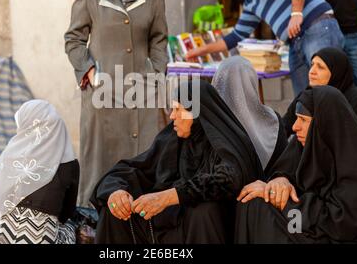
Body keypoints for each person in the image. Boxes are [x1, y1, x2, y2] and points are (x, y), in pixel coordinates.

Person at [90, 80, 264, 244]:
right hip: (167, 225)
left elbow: (228, 179)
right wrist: (116, 192)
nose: (172, 116)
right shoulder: (172, 139)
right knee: (114, 212)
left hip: (209, 228)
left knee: (204, 211)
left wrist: (168, 197)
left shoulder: (225, 142)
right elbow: (134, 169)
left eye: (179, 110)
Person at [64, 0, 169, 206]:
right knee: (100, 155)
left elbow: (159, 37)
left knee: (145, 151)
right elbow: (74, 39)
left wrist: (156, 70)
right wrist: (88, 69)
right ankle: (93, 215)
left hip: (143, 88)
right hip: (103, 90)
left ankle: (144, 211)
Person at [186, 0, 344, 96]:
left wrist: (296, 13)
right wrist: (199, 51)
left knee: (328, 90)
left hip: (317, 27)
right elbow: (236, 36)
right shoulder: (250, 2)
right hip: (295, 42)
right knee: (305, 100)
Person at [235, 86, 357, 243]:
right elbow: (285, 169)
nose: (294, 127)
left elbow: (342, 223)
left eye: (304, 120)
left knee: (260, 210)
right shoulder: (305, 144)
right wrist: (281, 180)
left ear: (324, 124)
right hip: (303, 220)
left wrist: (278, 198)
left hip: (330, 234)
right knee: (252, 203)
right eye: (296, 118)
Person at [0, 100, 80, 244]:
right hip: (40, 236)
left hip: (0, 234)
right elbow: (67, 212)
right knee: (70, 226)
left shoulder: (10, 155)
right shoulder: (69, 164)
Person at [212, 56, 288, 176]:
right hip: (269, 187)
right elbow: (284, 164)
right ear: (252, 82)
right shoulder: (272, 119)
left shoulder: (212, 120)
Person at [282, 47, 357, 136]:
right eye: (312, 65)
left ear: (336, 72)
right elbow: (284, 127)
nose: (312, 71)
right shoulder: (307, 96)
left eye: (320, 67)